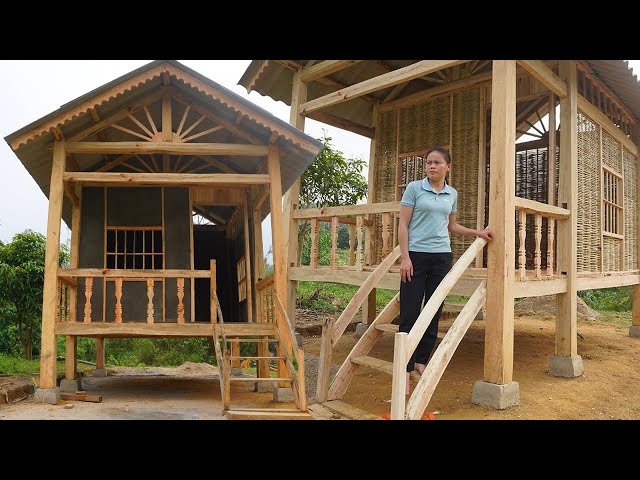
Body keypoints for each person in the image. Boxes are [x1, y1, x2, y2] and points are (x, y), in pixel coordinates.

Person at [398, 147, 492, 395]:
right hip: (415, 257)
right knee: (409, 310)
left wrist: (476, 233)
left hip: (441, 257)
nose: (431, 166)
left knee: (434, 309)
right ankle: (404, 368)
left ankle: (420, 360)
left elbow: (451, 226)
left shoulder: (452, 193)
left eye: (437, 162)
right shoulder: (414, 188)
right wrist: (405, 258)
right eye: (428, 162)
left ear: (447, 167)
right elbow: (403, 224)